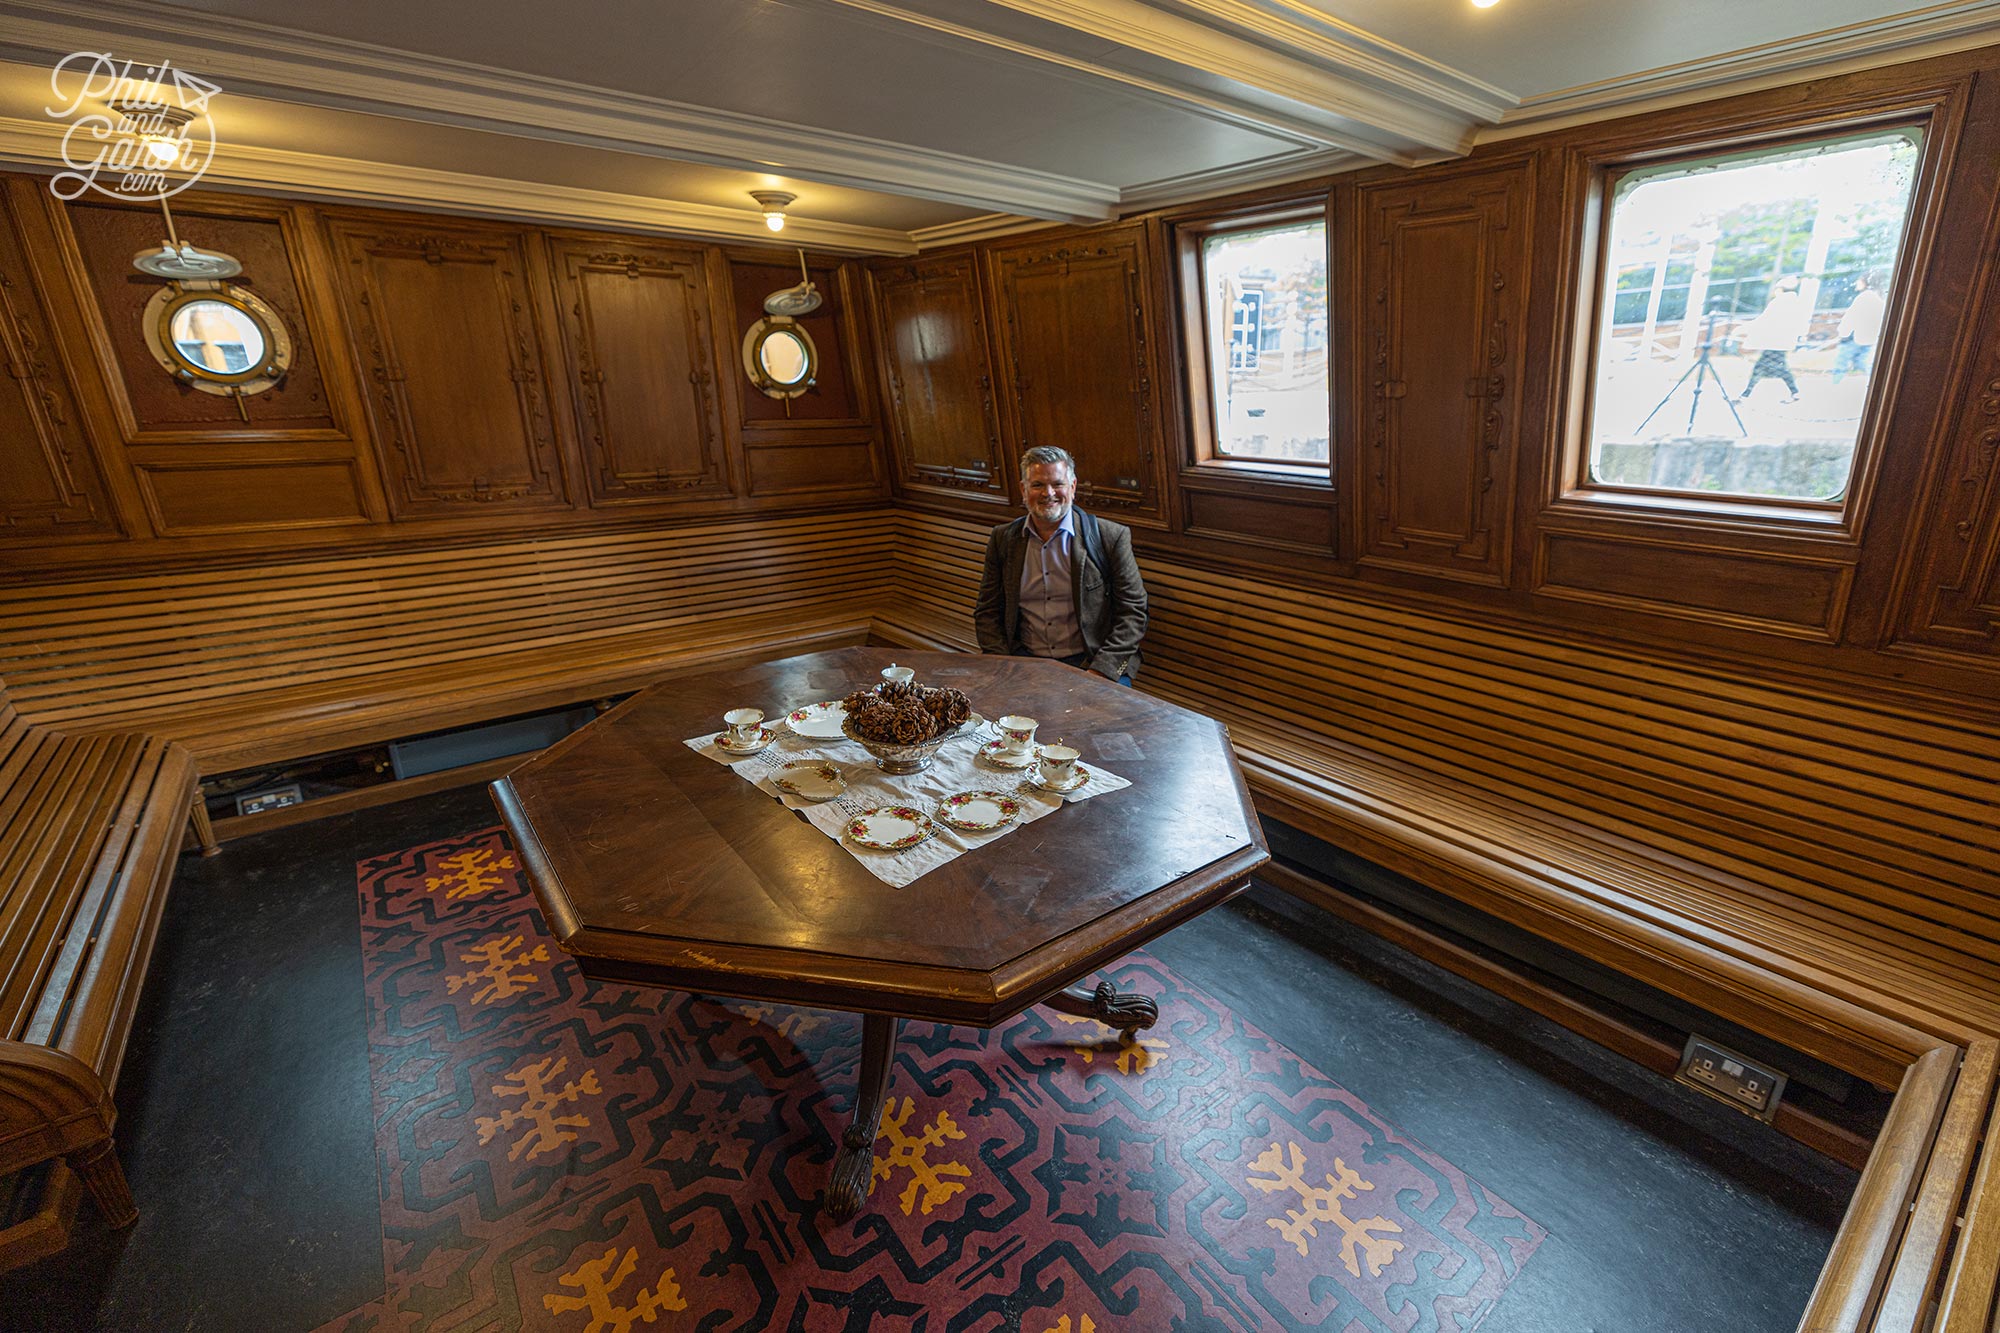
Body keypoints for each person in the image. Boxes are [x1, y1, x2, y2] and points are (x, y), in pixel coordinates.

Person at [973, 446, 1147, 684]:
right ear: (1023, 490)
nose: (1048, 493)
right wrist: (1006, 664)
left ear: (1072, 487)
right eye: (1037, 485)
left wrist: (1099, 671)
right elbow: (987, 611)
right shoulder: (1003, 539)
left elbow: (1133, 612)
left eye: (1058, 484)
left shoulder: (1110, 537)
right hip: (1024, 660)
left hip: (1092, 661)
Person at [1737, 275, 1810, 403]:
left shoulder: (1778, 302)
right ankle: (1795, 392)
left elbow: (1763, 321)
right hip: (1783, 342)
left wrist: (1742, 329)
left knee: (1762, 367)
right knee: (1780, 367)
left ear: (1781, 289)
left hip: (1774, 342)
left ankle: (1745, 395)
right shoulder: (1796, 303)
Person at [1833, 271, 1886, 383]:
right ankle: (1877, 383)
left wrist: (1843, 333)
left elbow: (1851, 317)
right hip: (1869, 337)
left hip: (1853, 336)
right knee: (1863, 363)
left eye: (1859, 280)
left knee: (1840, 364)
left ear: (1866, 282)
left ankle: (1834, 385)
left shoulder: (1864, 297)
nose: (1857, 282)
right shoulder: (1878, 297)